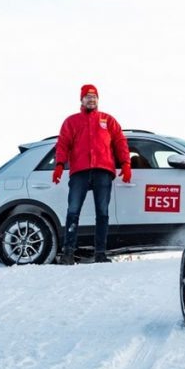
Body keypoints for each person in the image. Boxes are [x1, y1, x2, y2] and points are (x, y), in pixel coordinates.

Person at [52, 84, 131, 264]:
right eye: (88, 96)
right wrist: (59, 165)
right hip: (79, 172)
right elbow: (62, 144)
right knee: (73, 211)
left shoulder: (108, 120)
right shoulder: (71, 121)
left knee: (102, 213)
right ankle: (68, 253)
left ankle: (100, 253)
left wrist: (126, 164)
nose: (91, 99)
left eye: (94, 96)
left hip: (103, 171)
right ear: (81, 99)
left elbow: (120, 142)